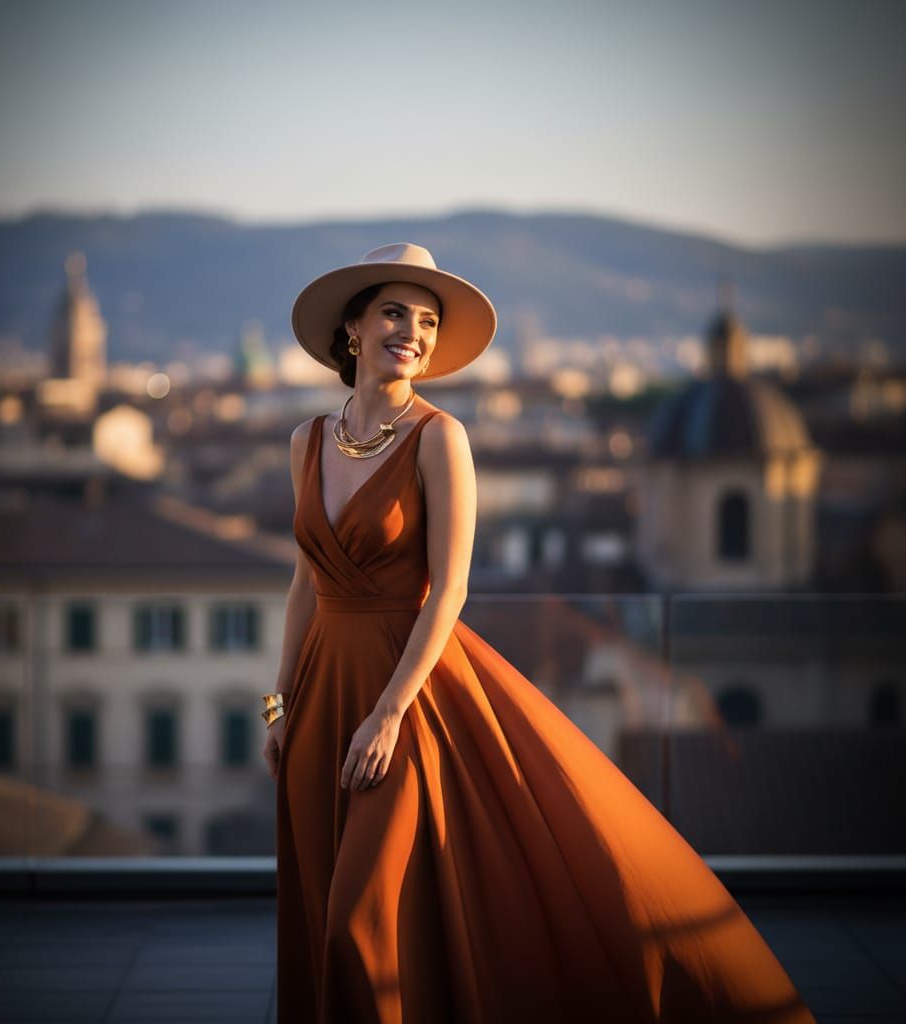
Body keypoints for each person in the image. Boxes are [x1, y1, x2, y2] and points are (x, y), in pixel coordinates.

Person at [262, 243, 815, 1023]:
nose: (411, 333)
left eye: (426, 322)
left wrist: (389, 712)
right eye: (394, 312)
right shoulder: (305, 442)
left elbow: (449, 589)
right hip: (322, 693)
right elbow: (302, 584)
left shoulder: (439, 439)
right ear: (352, 324)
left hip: (405, 693)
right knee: (325, 901)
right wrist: (279, 707)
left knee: (364, 920)